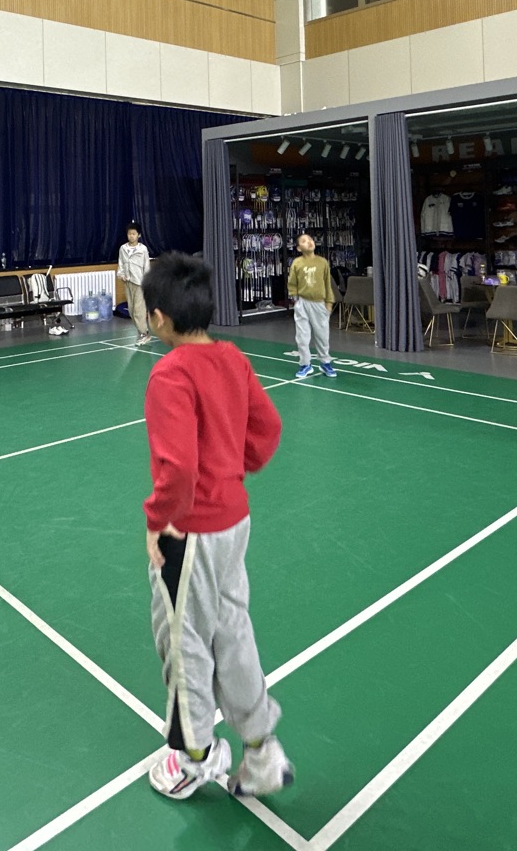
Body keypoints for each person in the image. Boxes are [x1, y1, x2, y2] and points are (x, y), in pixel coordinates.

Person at [140, 252, 291, 801]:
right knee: (232, 632)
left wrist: (158, 520)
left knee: (185, 644)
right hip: (234, 521)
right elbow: (267, 429)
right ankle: (261, 750)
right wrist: (231, 471)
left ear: (159, 317)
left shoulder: (170, 373)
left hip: (191, 533)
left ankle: (194, 757)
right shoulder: (232, 357)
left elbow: (178, 468)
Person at [287, 233, 335, 379]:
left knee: (322, 335)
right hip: (302, 303)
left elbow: (327, 283)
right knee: (302, 336)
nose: (308, 242)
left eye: (310, 239)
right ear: (298, 248)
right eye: (304, 241)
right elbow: (292, 282)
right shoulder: (297, 263)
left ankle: (325, 362)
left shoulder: (322, 262)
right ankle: (305, 364)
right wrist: (296, 299)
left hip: (319, 304)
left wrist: (329, 302)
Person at [117, 222, 153, 345]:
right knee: (132, 310)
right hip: (128, 282)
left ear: (139, 235)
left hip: (140, 283)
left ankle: (144, 334)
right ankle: (141, 331)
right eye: (129, 234)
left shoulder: (142, 249)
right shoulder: (123, 248)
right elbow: (121, 263)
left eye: (133, 234)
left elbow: (146, 266)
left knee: (139, 310)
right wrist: (121, 274)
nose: (131, 236)